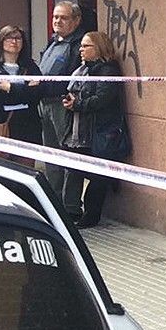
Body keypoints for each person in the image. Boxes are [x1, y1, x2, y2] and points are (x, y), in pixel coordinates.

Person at [62, 32, 130, 228]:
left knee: (97, 175)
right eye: (81, 46)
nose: (81, 50)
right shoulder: (84, 70)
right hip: (82, 130)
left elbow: (103, 98)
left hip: (100, 131)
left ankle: (91, 214)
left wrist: (79, 104)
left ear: (98, 48)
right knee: (76, 166)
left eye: (86, 46)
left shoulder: (107, 71)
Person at [37, 2, 87, 218]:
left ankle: (70, 208)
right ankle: (54, 203)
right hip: (44, 104)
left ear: (76, 21)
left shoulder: (79, 45)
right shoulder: (53, 41)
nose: (57, 21)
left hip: (62, 105)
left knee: (68, 156)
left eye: (63, 17)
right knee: (51, 156)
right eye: (55, 16)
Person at [0, 25, 43, 147]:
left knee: (25, 165)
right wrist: (25, 92)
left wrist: (10, 88)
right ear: (1, 41)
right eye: (9, 38)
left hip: (28, 127)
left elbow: (37, 94)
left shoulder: (30, 66)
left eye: (18, 38)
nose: (14, 42)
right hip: (0, 125)